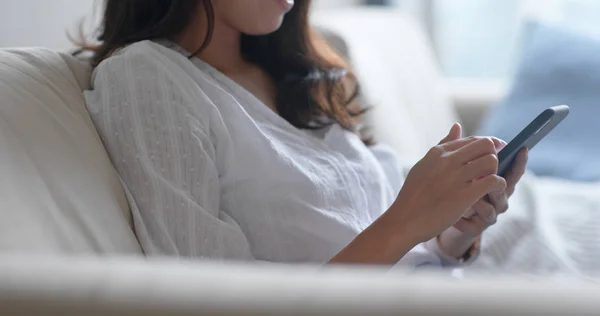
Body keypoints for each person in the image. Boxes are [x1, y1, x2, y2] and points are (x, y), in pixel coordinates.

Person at [80, 0, 528, 266]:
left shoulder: (297, 74)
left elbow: (391, 239)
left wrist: (453, 231)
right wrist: (407, 221)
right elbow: (208, 297)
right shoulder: (148, 78)